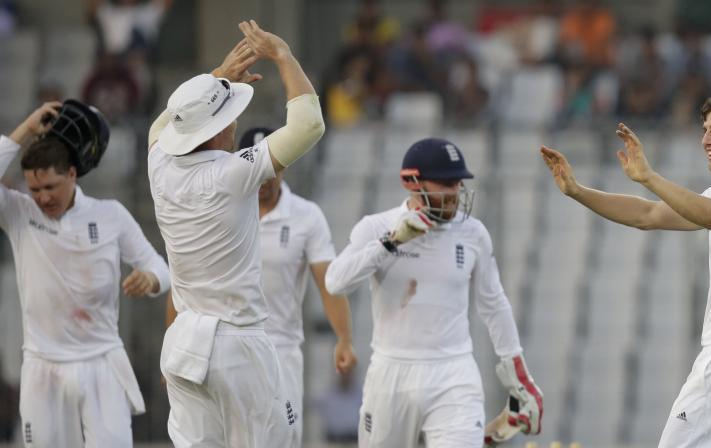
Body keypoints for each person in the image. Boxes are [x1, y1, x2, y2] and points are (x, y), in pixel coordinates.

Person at [540, 91, 711, 447]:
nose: (705, 139)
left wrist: (649, 177)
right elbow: (648, 215)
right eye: (705, 129)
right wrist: (577, 191)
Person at [148, 20, 325, 447]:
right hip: (238, 345)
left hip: (183, 345)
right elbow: (308, 126)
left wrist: (216, 79)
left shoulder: (160, 167)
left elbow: (161, 129)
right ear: (220, 130)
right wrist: (283, 54)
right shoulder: (234, 173)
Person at [325, 137, 543, 447]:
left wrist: (518, 375)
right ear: (412, 182)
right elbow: (336, 282)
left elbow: (493, 304)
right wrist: (390, 243)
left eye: (457, 184)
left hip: (453, 373)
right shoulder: (377, 227)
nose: (454, 193)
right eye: (444, 184)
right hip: (391, 373)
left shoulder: (473, 233)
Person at [0, 100, 171, 448]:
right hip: (43, 365)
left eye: (51, 187)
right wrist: (25, 130)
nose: (43, 198)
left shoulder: (110, 215)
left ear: (73, 175)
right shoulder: (19, 213)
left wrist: (150, 280)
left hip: (102, 363)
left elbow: (160, 268)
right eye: (35, 189)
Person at [243, 126, 357, 446]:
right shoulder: (225, 212)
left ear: (284, 166)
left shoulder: (306, 216)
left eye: (273, 170)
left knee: (285, 436)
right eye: (257, 169)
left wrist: (345, 339)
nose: (265, 179)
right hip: (233, 344)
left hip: (282, 347)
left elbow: (329, 283)